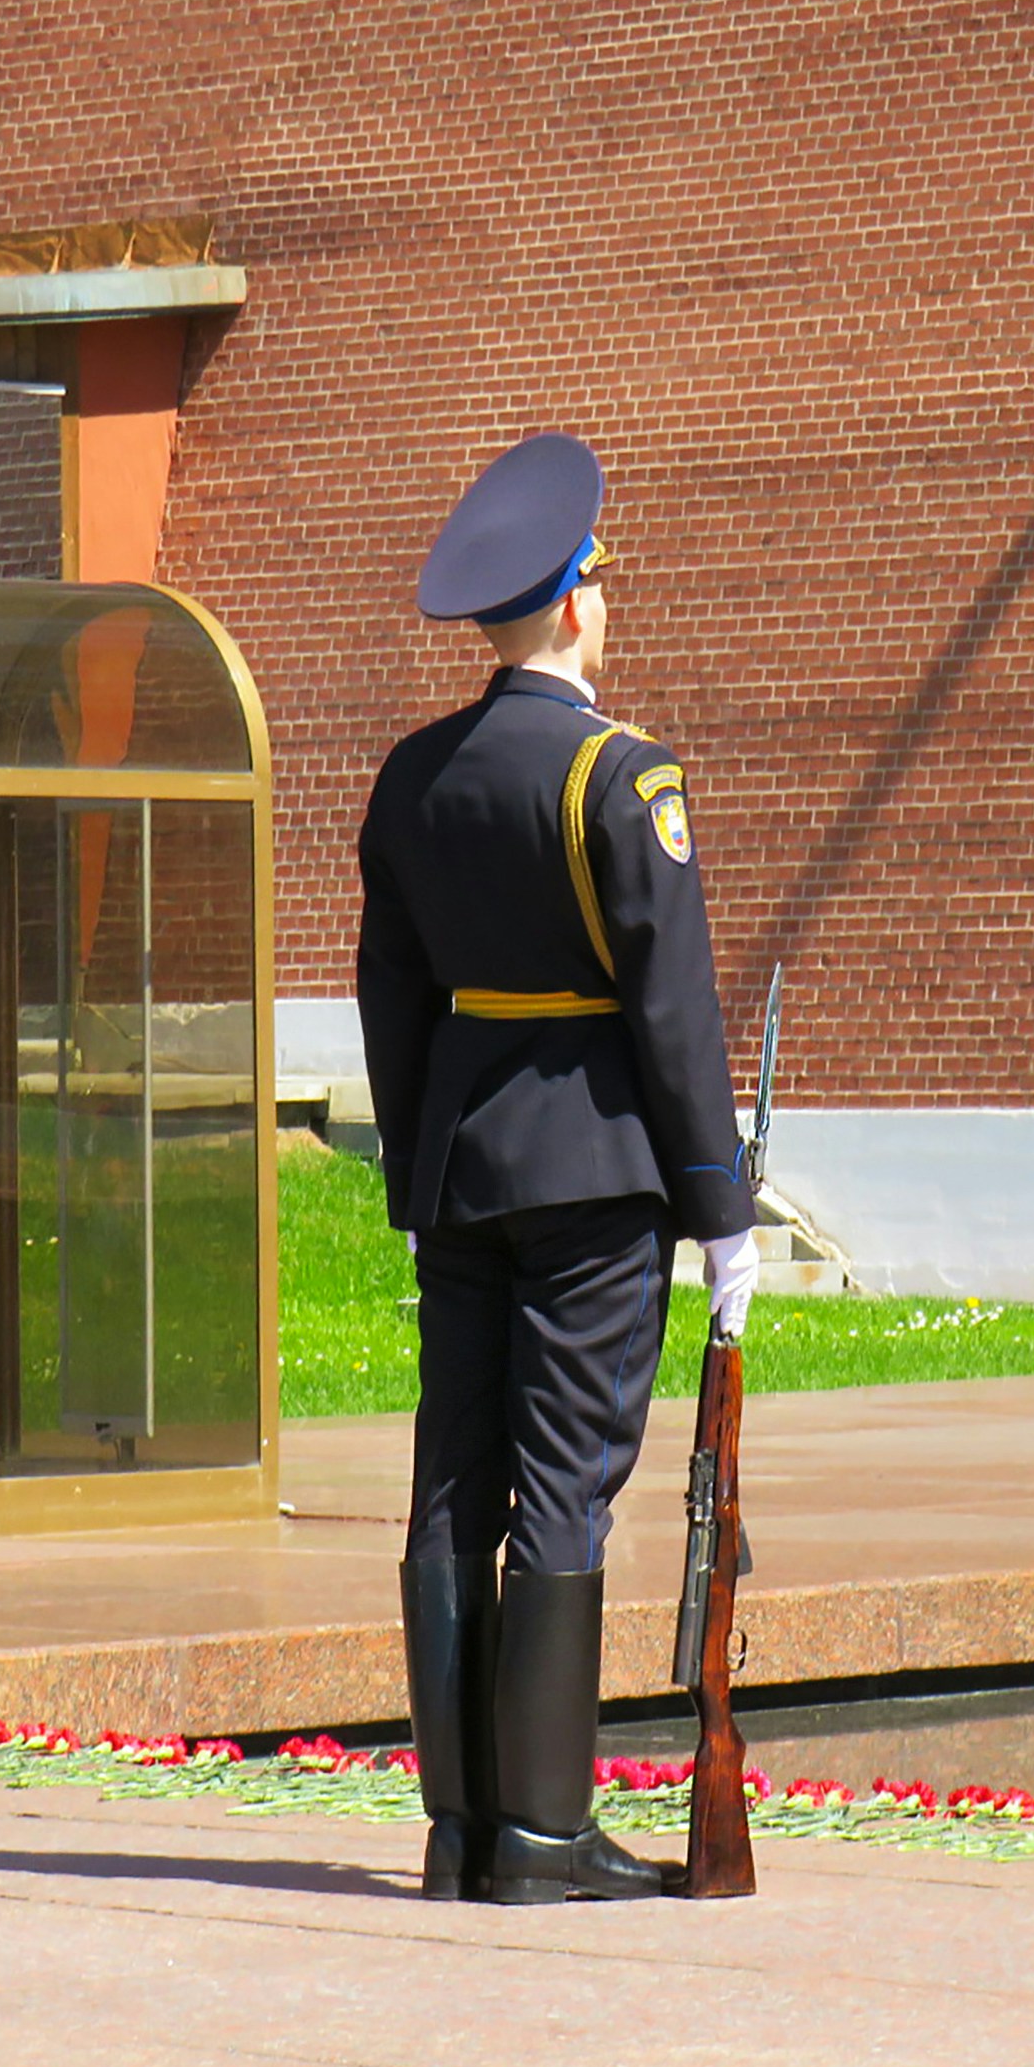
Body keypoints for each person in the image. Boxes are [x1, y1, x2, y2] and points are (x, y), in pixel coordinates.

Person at [356, 431, 759, 1905]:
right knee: (568, 1483)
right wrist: (721, 1208)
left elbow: (390, 1000)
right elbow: (669, 1009)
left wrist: (419, 1171)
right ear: (577, 603)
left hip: (462, 1164)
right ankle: (540, 1833)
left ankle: (460, 1827)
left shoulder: (414, 779)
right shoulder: (617, 774)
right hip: (593, 1169)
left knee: (454, 1481)